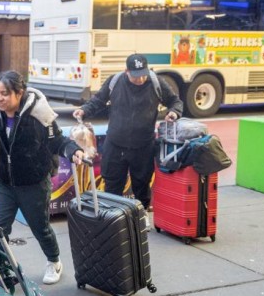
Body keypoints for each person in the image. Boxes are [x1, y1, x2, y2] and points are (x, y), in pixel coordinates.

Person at [0, 71, 84, 285]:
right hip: (4, 183)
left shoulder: (39, 114)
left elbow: (58, 141)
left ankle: (54, 261)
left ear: (19, 93)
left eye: (5, 94)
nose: (0, 98)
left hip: (34, 183)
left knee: (40, 228)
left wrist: (73, 150)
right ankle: (3, 270)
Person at [73, 54, 184, 210]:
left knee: (142, 183)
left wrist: (174, 112)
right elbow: (98, 100)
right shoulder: (115, 81)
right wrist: (84, 110)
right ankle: (113, 218)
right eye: (135, 76)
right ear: (126, 71)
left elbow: (175, 101)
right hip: (115, 143)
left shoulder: (155, 82)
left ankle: (142, 215)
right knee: (112, 183)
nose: (140, 79)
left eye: (143, 75)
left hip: (143, 145)